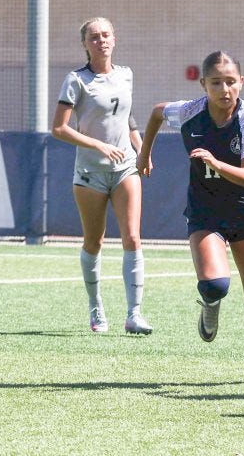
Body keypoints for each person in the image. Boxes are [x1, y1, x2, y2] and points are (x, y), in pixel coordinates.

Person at [137, 51, 244, 369]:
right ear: (203, 85)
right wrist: (144, 153)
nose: (224, 90)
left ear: (241, 83)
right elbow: (158, 112)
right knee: (215, 285)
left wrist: (215, 163)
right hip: (205, 211)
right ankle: (210, 304)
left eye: (230, 82)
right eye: (216, 83)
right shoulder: (189, 113)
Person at [51, 17, 152, 335]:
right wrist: (98, 145)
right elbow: (59, 128)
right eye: (94, 37)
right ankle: (96, 310)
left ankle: (134, 314)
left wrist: (141, 149)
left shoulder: (126, 75)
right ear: (85, 44)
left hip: (125, 169)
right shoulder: (76, 80)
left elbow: (128, 118)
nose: (101, 40)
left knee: (132, 237)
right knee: (94, 242)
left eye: (106, 35)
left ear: (114, 39)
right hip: (89, 174)